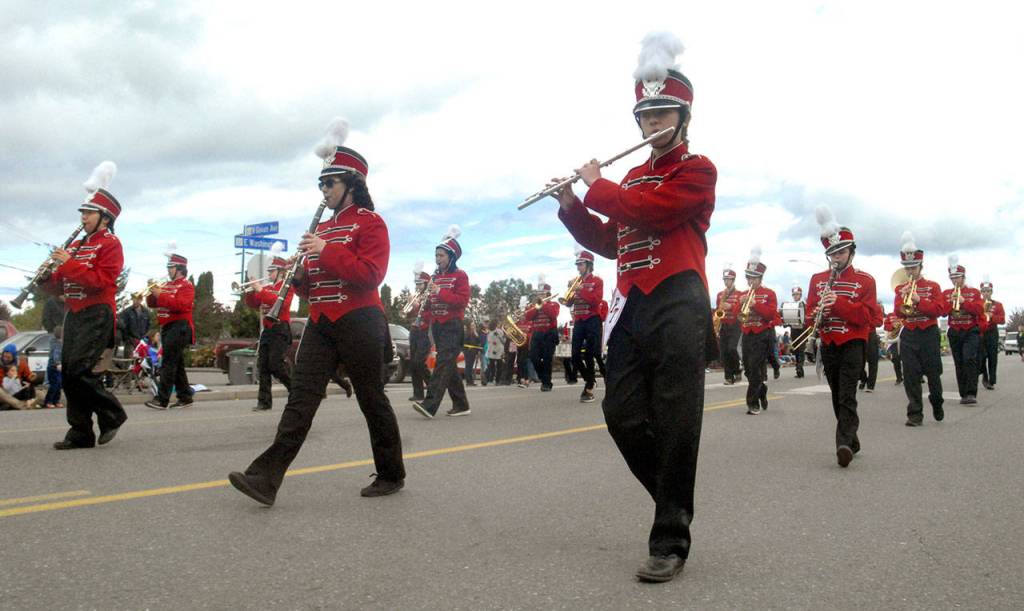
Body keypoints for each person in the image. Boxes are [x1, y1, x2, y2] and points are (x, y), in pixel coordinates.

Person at [553, 32, 716, 583]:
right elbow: (614, 241)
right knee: (621, 414)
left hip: (679, 300)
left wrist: (598, 186)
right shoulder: (632, 177)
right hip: (632, 305)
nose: (650, 124)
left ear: (683, 115)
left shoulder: (697, 170)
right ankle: (675, 499)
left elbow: (652, 213)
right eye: (644, 116)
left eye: (661, 112)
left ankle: (670, 535)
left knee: (675, 418)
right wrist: (574, 206)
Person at [229, 119, 405, 504]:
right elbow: (314, 285)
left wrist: (325, 251)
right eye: (321, 184)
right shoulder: (323, 227)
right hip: (322, 323)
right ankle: (265, 478)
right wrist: (293, 276)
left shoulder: (371, 223)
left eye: (330, 183)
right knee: (301, 400)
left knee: (371, 397)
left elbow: (369, 275)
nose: (323, 190)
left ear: (352, 184)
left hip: (360, 320)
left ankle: (392, 473)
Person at [38, 161, 128, 448]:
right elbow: (62, 287)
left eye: (88, 212)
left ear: (104, 218)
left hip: (97, 314)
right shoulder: (77, 246)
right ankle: (80, 431)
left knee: (79, 371)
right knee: (71, 373)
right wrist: (45, 279)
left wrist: (69, 263)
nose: (83, 217)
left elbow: (100, 281)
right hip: (74, 314)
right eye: (83, 212)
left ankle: (112, 413)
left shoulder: (110, 244)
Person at [805, 208, 880, 467]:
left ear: (851, 252)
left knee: (847, 394)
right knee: (837, 395)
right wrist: (816, 313)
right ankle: (852, 438)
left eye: (841, 252)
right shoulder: (817, 280)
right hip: (829, 342)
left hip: (854, 342)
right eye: (832, 253)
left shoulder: (865, 280)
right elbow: (809, 313)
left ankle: (843, 444)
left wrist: (838, 304)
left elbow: (869, 317)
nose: (836, 257)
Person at [412, 226, 471, 418]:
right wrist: (422, 304)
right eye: (436, 255)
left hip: (452, 324)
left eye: (442, 255)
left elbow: (461, 301)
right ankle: (461, 404)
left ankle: (429, 405)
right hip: (437, 325)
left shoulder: (460, 275)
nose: (438, 259)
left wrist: (439, 291)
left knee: (443, 363)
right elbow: (431, 304)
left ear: (451, 257)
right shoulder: (436, 277)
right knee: (449, 366)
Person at [894, 231, 948, 426]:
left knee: (933, 374)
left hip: (928, 333)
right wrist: (904, 299)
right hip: (909, 333)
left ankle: (937, 401)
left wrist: (919, 300)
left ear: (920, 266)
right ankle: (915, 413)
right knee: (910, 375)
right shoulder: (901, 287)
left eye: (913, 267)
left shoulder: (933, 287)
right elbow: (898, 312)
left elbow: (940, 310)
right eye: (907, 268)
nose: (910, 272)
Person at [144, 249, 195, 410]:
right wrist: (152, 292)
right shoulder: (166, 285)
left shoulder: (186, 286)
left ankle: (162, 399)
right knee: (176, 363)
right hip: (167, 327)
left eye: (171, 267)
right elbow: (153, 304)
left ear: (179, 268)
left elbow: (181, 305)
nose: (168, 270)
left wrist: (161, 294)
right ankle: (185, 396)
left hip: (180, 326)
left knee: (168, 363)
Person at [244, 252, 294, 411]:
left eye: (272, 271)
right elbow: (253, 304)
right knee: (263, 366)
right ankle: (264, 402)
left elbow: (281, 304)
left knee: (275, 365)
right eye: (269, 271)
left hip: (280, 328)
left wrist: (260, 290)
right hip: (268, 330)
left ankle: (295, 390)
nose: (268, 274)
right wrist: (251, 291)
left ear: (280, 271)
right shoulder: (266, 287)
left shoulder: (287, 287)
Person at [735, 248, 777, 414]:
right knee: (748, 368)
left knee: (755, 367)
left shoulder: (769, 294)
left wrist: (755, 305)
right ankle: (762, 389)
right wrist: (740, 303)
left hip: (762, 334)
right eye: (749, 277)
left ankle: (752, 403)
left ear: (760, 278)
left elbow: (770, 315)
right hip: (747, 333)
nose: (750, 280)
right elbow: (738, 317)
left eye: (754, 277)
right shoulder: (744, 294)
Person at [942, 255, 984, 405]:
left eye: (957, 277)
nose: (955, 281)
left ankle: (971, 392)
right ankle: (963, 393)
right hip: (954, 330)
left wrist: (964, 302)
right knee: (959, 362)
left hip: (970, 330)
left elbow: (979, 310)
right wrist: (950, 302)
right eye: (952, 278)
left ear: (963, 277)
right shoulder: (947, 293)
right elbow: (941, 311)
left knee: (969, 359)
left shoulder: (973, 292)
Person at [568, 249, 604, 402]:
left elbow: (595, 301)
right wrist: (569, 292)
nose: (578, 267)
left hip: (592, 320)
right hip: (579, 321)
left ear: (589, 265)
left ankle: (589, 387)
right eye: (577, 264)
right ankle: (590, 380)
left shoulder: (597, 281)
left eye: (581, 264)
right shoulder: (576, 282)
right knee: (575, 356)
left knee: (590, 354)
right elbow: (569, 303)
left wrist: (580, 289)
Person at [524, 278, 560, 392]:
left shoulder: (554, 304)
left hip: (549, 334)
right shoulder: (534, 305)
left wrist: (543, 304)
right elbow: (528, 317)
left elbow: (553, 315)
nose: (540, 295)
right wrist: (536, 306)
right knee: (534, 357)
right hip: (537, 334)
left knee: (547, 359)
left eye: (542, 293)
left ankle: (546, 383)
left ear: (547, 294)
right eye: (538, 293)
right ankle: (543, 378)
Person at [405, 263, 432, 402]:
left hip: (425, 331)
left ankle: (432, 386)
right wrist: (410, 307)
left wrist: (418, 305)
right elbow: (409, 316)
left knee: (418, 362)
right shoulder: (417, 296)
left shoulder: (430, 296)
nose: (417, 286)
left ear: (426, 283)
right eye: (416, 284)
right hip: (414, 331)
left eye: (420, 284)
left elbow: (430, 313)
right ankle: (418, 393)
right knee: (413, 363)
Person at [977, 279, 1005, 390]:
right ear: (981, 292)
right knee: (982, 356)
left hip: (992, 332)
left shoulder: (998, 305)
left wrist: (992, 316)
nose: (986, 293)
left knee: (993, 356)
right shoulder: (978, 303)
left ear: (991, 292)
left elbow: (1002, 320)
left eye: (988, 291)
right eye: (983, 291)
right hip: (980, 332)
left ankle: (992, 380)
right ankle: (985, 376)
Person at [858, 302, 884, 392]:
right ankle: (863, 378)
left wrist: (867, 322)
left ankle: (870, 385)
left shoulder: (876, 307)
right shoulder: (858, 304)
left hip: (870, 334)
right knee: (858, 361)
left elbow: (879, 322)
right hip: (859, 334)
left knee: (873, 361)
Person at [117, 293, 150, 360]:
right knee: (129, 362)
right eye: (134, 299)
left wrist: (145, 337)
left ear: (141, 300)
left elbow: (148, 325)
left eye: (137, 299)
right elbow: (121, 326)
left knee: (142, 361)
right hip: (130, 341)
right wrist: (127, 338)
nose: (135, 301)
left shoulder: (146, 312)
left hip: (142, 342)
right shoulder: (126, 312)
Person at [784, 286, 807, 378]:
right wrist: (786, 323)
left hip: (802, 330)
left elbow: (807, 316)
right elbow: (788, 318)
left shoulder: (804, 305)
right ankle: (798, 367)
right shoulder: (791, 305)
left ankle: (799, 368)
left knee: (801, 349)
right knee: (796, 349)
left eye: (797, 294)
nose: (795, 296)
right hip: (794, 330)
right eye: (794, 295)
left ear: (800, 295)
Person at [882, 307, 904, 384]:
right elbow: (885, 326)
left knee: (908, 359)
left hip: (905, 338)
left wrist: (901, 325)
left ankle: (916, 376)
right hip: (894, 339)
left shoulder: (906, 312)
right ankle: (899, 377)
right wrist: (893, 327)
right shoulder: (890, 315)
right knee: (895, 358)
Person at [44, 325, 64, 408]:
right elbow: (56, 354)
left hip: (58, 367)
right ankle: (49, 401)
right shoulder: (56, 343)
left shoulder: (60, 342)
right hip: (53, 367)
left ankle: (56, 401)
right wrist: (58, 363)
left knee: (59, 384)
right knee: (54, 384)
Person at [463, 319, 480, 387]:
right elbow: (465, 342)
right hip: (468, 352)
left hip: (473, 352)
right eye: (472, 325)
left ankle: (471, 381)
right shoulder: (467, 332)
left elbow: (478, 342)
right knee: (468, 367)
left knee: (470, 367)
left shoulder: (474, 333)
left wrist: (476, 334)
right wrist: (468, 348)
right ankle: (469, 381)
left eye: (474, 325)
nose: (474, 326)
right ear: (469, 326)